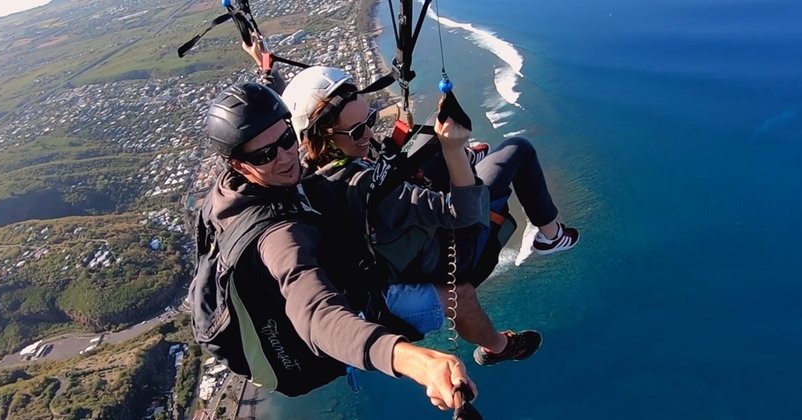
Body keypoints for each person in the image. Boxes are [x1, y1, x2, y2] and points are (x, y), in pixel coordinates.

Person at [196, 81, 476, 411]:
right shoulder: (278, 237)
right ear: (238, 164)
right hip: (308, 347)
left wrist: (267, 70)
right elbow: (317, 314)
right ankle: (495, 346)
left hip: (299, 292)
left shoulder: (230, 191)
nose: (285, 157)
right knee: (464, 293)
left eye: (287, 139)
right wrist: (416, 362)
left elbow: (268, 129)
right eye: (265, 155)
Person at [281, 66, 580, 366]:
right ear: (326, 136)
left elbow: (380, 171)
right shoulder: (370, 190)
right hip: (447, 256)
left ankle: (462, 159)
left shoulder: (311, 172)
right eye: (358, 130)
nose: (369, 133)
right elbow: (464, 214)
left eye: (369, 119)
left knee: (427, 143)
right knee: (518, 150)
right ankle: (550, 236)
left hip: (394, 250)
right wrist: (453, 150)